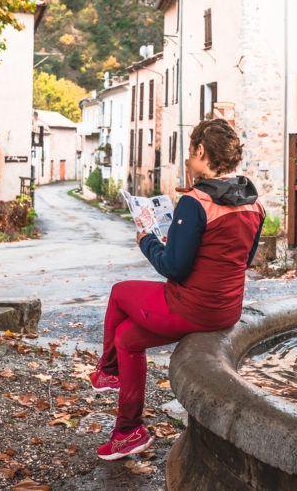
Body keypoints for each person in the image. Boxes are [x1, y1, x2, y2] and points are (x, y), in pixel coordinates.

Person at [90, 119, 265, 461]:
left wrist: (147, 240)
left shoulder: (196, 201)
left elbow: (173, 267)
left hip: (190, 307)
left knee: (119, 292)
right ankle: (128, 431)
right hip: (227, 309)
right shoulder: (253, 203)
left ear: (201, 151)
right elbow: (238, 260)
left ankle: (107, 373)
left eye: (190, 152)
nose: (188, 159)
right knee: (126, 337)